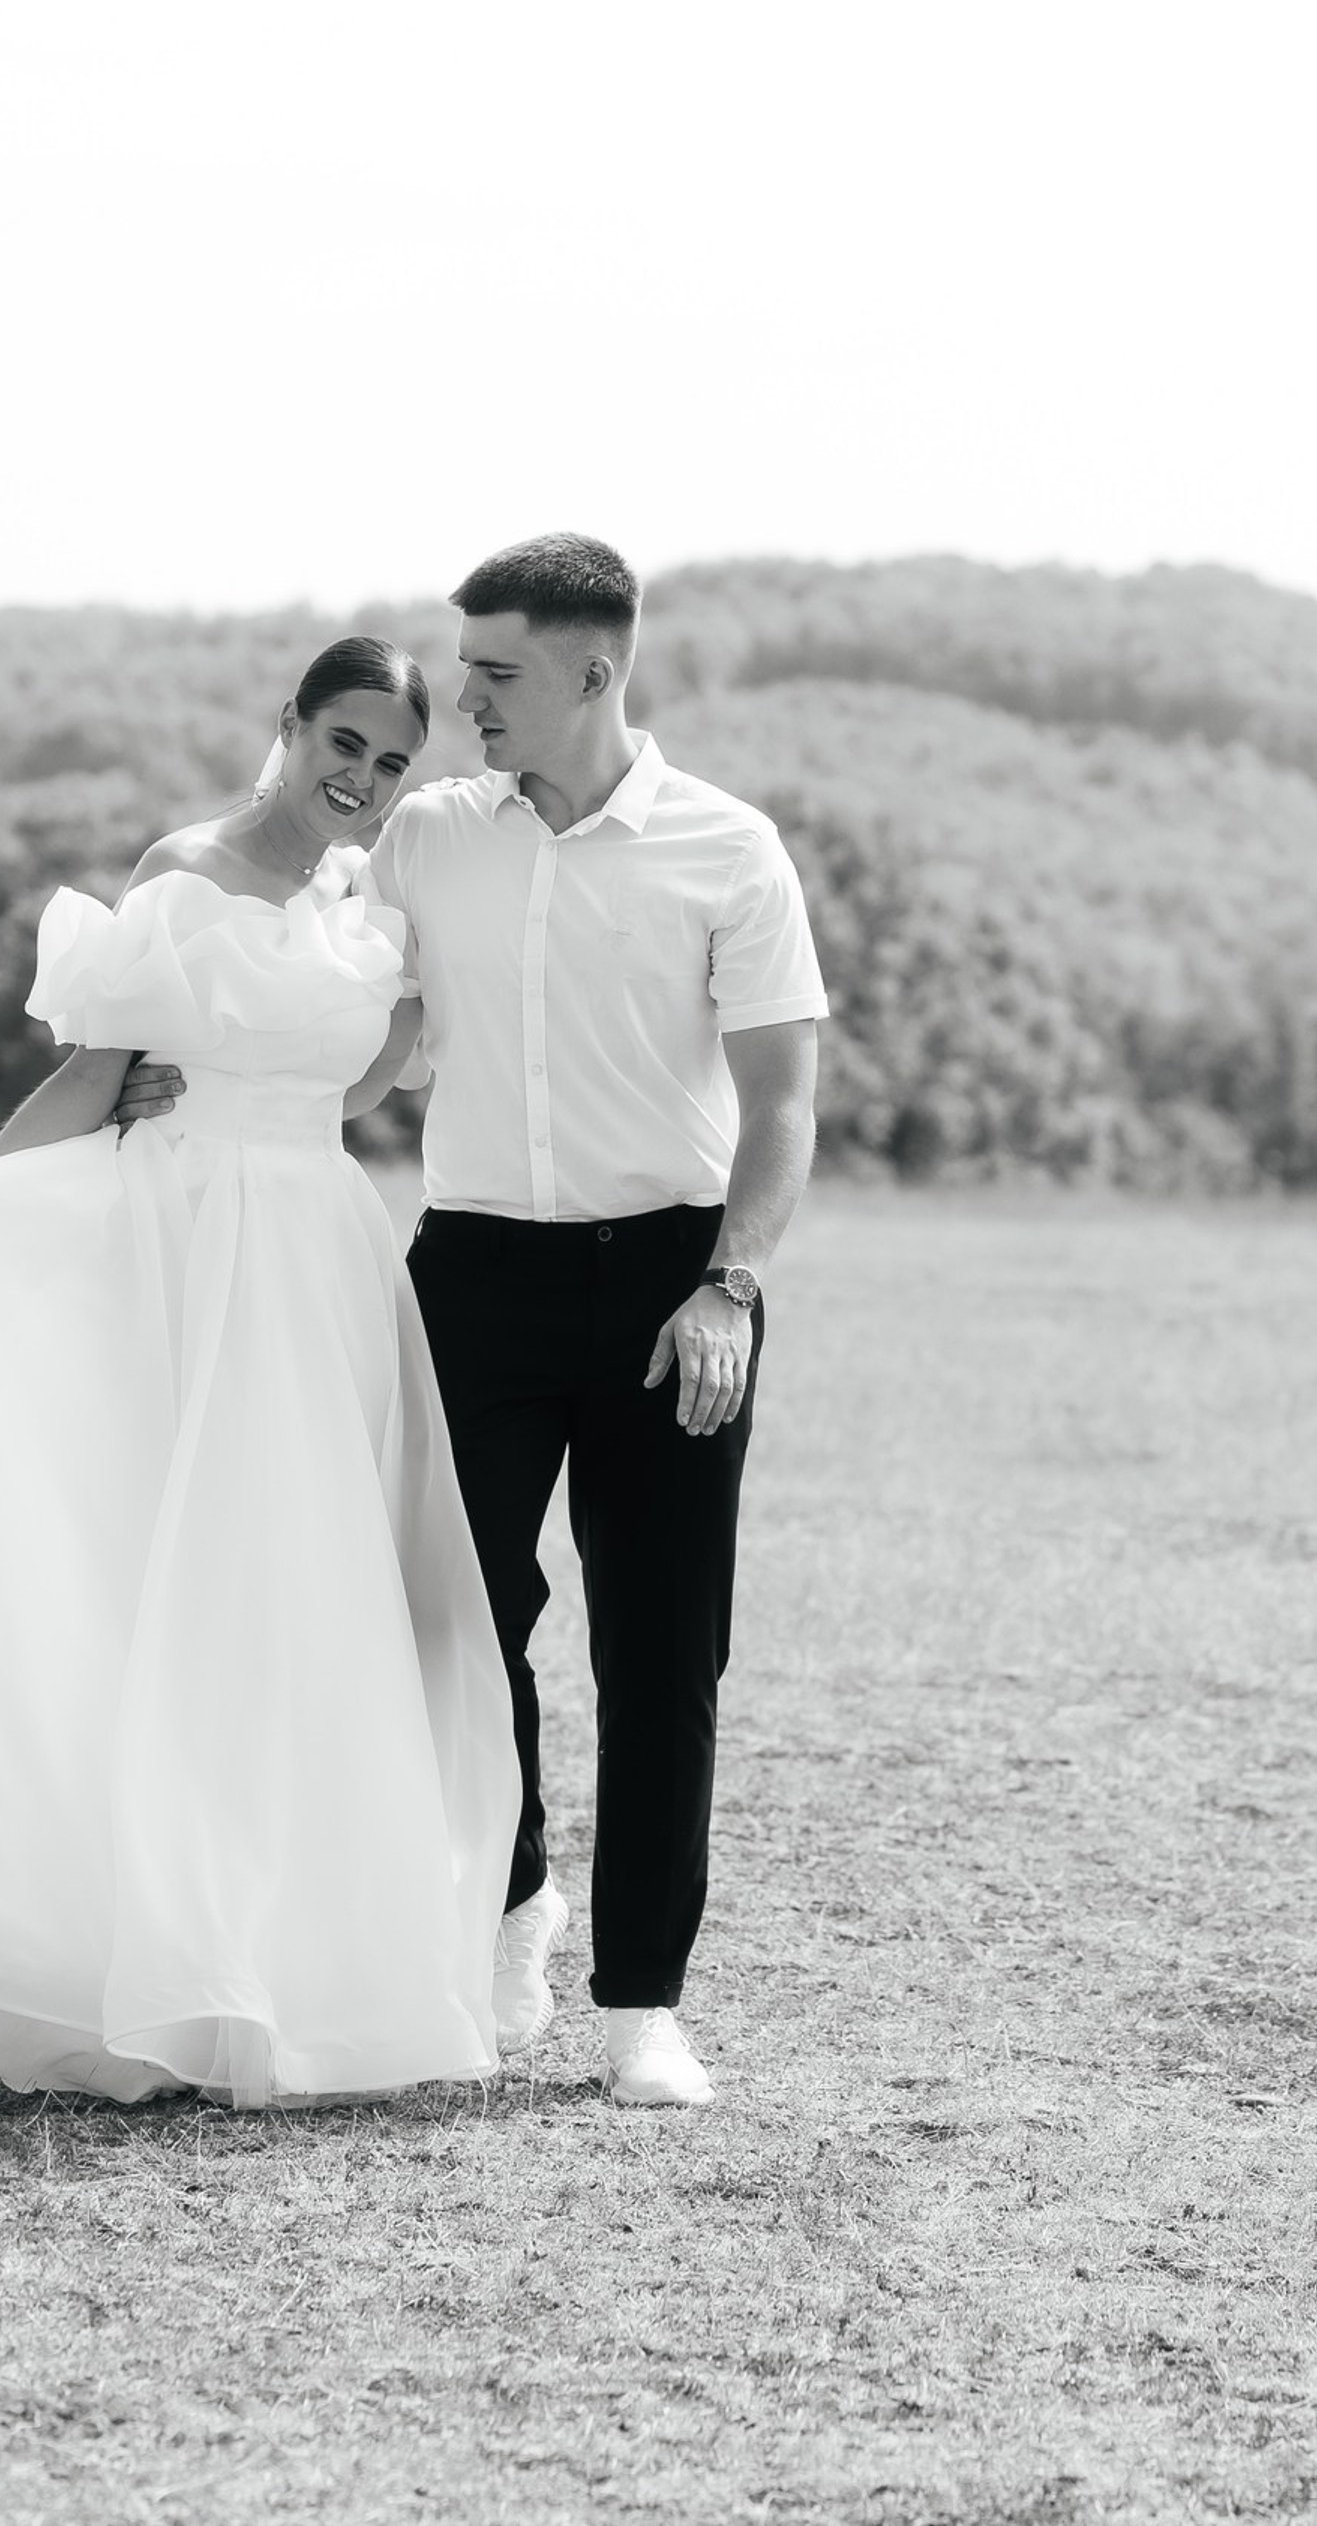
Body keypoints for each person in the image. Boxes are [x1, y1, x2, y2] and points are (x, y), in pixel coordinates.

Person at [132, 535, 828, 2108]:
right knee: (455, 1615)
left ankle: (644, 2004)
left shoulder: (731, 850)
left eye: (497, 674)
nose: (466, 704)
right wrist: (203, 1090)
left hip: (671, 1282)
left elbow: (784, 1102)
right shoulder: (432, 835)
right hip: (472, 1273)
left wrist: (732, 1283)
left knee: (665, 1650)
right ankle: (515, 1898)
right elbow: (335, 996)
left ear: (597, 669)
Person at [0, 638, 520, 2107]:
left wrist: (384, 1049)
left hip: (324, 1255)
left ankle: (286, 1948)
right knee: (193, 1580)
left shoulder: (359, 902)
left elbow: (336, 1086)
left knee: (312, 1587)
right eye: (339, 743)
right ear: (287, 728)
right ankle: (165, 1953)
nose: (357, 780)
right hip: (198, 1250)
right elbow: (97, 1072)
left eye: (388, 763)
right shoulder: (190, 870)